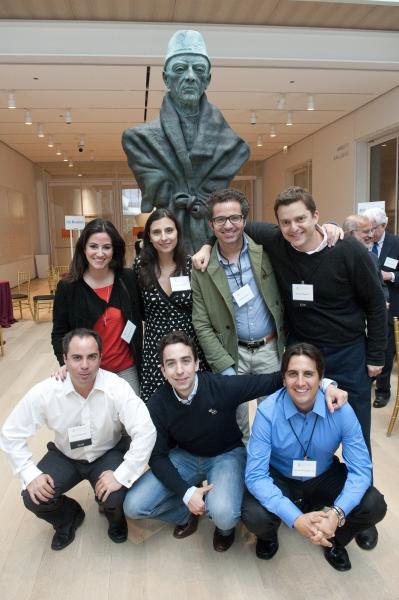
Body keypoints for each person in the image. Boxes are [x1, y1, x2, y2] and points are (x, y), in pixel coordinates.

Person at [193, 186, 387, 550]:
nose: (294, 227)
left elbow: (377, 304)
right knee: (290, 423)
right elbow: (229, 226)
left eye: (302, 218)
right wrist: (205, 245)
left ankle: (356, 514)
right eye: (286, 222)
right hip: (301, 356)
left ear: (317, 216)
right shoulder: (277, 242)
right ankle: (290, 494)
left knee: (355, 430)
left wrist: (377, 356)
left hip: (347, 355)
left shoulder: (347, 250)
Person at [123, 331, 348, 553]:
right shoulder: (157, 403)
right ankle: (187, 511)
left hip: (226, 455)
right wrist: (185, 492)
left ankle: (224, 528)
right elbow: (157, 456)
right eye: (171, 364)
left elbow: (271, 381)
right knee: (133, 506)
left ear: (197, 363)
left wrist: (325, 384)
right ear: (163, 370)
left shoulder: (221, 386)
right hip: (185, 456)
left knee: (224, 515)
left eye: (185, 361)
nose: (180, 370)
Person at [0, 328, 156, 551]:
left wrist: (122, 474)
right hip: (66, 456)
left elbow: (146, 430)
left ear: (101, 358)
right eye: (76, 358)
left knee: (115, 494)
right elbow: (11, 433)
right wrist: (29, 473)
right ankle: (68, 516)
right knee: (33, 496)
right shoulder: (46, 392)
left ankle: (114, 516)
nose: (85, 365)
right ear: (64, 359)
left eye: (92, 357)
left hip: (107, 452)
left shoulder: (116, 387)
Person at [242, 343, 387, 572]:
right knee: (254, 515)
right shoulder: (267, 412)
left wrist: (337, 514)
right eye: (293, 374)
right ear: (283, 379)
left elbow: (361, 470)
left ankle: (334, 540)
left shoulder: (342, 411)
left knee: (374, 504)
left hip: (323, 474)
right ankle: (268, 535)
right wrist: (295, 519)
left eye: (308, 374)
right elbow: (255, 475)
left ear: (321, 379)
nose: (300, 382)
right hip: (280, 477)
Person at [122, 30, 249, 253]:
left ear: (207, 79)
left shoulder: (232, 145)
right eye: (180, 69)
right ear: (166, 78)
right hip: (169, 246)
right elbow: (158, 193)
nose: (190, 76)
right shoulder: (140, 139)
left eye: (198, 70)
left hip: (215, 244)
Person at [191, 188, 285, 441]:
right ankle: (241, 473)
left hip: (270, 349)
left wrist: (329, 227)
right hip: (232, 354)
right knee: (235, 423)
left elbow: (298, 234)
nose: (228, 225)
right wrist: (224, 366)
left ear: (244, 220)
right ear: (211, 225)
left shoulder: (266, 252)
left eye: (234, 218)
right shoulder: (202, 267)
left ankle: (269, 472)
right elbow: (201, 323)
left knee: (273, 419)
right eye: (220, 219)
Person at [51, 218, 142, 394]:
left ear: (114, 249)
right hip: (88, 372)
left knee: (131, 418)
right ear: (83, 248)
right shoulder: (68, 287)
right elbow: (59, 333)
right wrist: (65, 364)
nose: (100, 253)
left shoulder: (128, 278)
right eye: (93, 246)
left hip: (127, 368)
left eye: (106, 247)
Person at [134, 208, 207, 402]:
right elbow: (138, 309)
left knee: (192, 403)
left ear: (178, 233)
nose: (164, 237)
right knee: (157, 407)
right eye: (157, 232)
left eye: (169, 230)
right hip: (155, 351)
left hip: (188, 347)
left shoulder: (192, 265)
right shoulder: (140, 266)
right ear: (148, 237)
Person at [363, 206, 399, 408]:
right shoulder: (362, 242)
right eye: (366, 229)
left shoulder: (396, 244)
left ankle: (383, 391)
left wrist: (390, 276)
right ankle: (368, 380)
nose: (369, 233)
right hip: (364, 308)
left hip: (390, 307)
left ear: (384, 226)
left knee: (385, 349)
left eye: (373, 229)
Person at [342, 213, 389, 301]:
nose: (371, 235)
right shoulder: (338, 257)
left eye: (371, 231)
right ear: (351, 233)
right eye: (366, 231)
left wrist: (384, 299)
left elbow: (382, 286)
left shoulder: (373, 258)